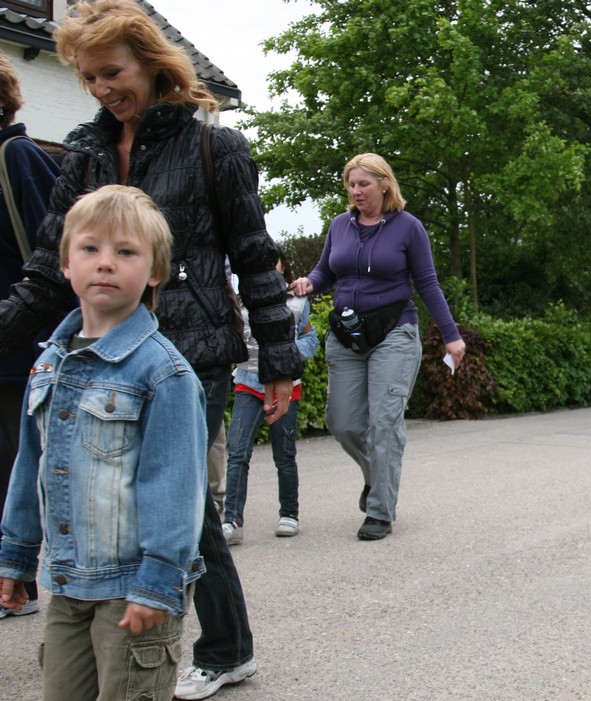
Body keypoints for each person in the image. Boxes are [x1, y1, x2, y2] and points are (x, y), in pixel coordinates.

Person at [0, 3, 304, 698]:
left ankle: (219, 647)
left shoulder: (215, 148)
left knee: (180, 501)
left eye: (112, 72)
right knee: (136, 501)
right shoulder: (83, 151)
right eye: (88, 78)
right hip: (106, 354)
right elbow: (48, 268)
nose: (101, 88)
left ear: (150, 62)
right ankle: (187, 638)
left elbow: (254, 256)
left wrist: (279, 362)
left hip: (192, 351)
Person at [0, 185, 207, 701]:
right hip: (67, 583)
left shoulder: (164, 373)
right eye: (90, 248)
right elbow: (31, 465)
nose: (106, 263)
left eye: (126, 251)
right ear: (65, 264)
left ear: (155, 271)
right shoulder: (48, 362)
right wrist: (16, 556)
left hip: (134, 587)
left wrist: (158, 579)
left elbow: (175, 485)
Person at [289, 153, 465, 541]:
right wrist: (310, 283)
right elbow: (326, 270)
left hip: (394, 333)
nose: (356, 191)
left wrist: (451, 335)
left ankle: (380, 511)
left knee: (384, 423)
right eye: (351, 184)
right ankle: (376, 478)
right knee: (342, 422)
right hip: (347, 334)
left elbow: (428, 283)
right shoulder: (340, 225)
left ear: (384, 185)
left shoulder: (408, 227)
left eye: (363, 184)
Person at [0, 51, 61, 621]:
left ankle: (19, 582)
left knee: (17, 466)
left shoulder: (17, 157)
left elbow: (56, 252)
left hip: (22, 346)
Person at [223, 249, 319, 544]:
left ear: (283, 266)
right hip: (247, 382)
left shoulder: (297, 302)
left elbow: (311, 340)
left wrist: (285, 354)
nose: (266, 265)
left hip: (286, 385)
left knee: (284, 454)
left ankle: (289, 514)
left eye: (272, 260)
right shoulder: (239, 300)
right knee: (237, 451)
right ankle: (231, 521)